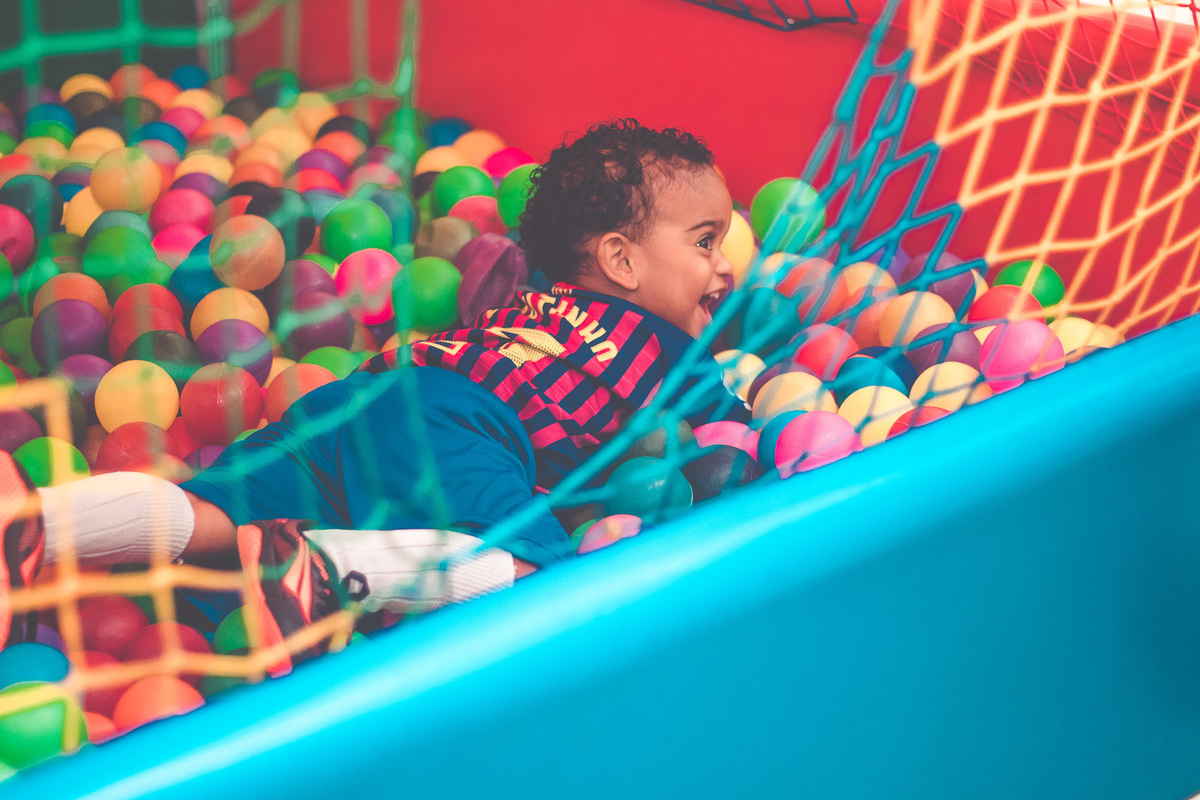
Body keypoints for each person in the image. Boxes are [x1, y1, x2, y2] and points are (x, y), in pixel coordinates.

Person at [0, 119, 746, 662]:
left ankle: (40, 521)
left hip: (362, 397)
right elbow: (734, 441)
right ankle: (335, 573)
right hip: (465, 425)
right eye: (706, 241)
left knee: (214, 518)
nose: (726, 266)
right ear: (619, 260)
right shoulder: (668, 350)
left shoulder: (529, 308)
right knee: (534, 577)